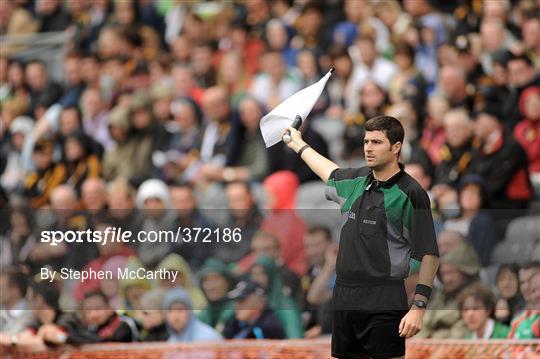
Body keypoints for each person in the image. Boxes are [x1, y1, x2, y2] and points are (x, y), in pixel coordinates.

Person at [285, 116, 439, 358]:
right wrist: (298, 144)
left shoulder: (411, 193)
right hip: (344, 294)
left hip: (384, 295)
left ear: (396, 147)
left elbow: (429, 254)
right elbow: (328, 171)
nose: (368, 147)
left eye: (376, 142)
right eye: (366, 141)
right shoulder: (357, 180)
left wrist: (418, 306)